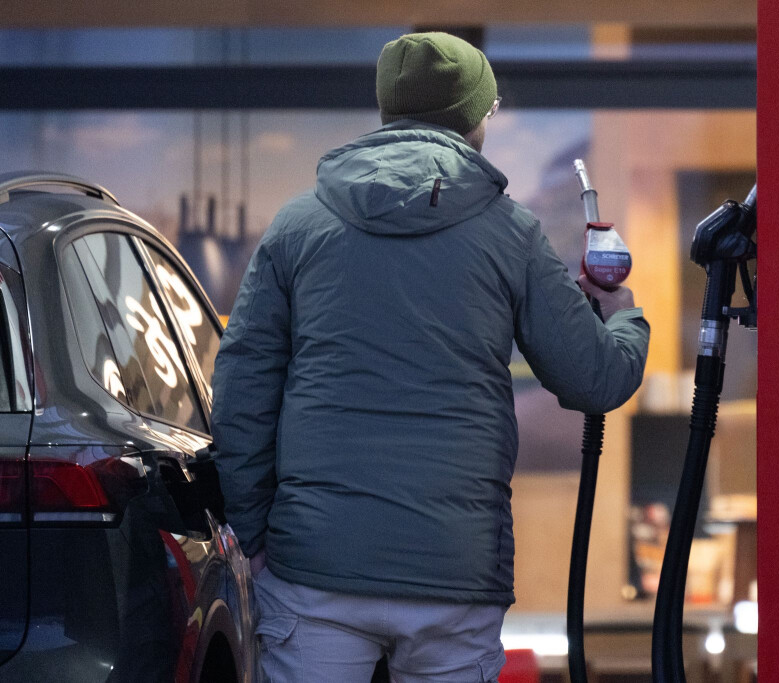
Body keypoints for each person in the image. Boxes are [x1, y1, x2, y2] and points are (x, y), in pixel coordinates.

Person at [211, 31, 650, 683]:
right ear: (474, 119)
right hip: (454, 574)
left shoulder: (297, 226)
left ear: (388, 110)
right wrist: (624, 314)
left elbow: (241, 395)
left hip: (316, 564)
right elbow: (597, 376)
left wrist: (256, 538)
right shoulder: (512, 233)